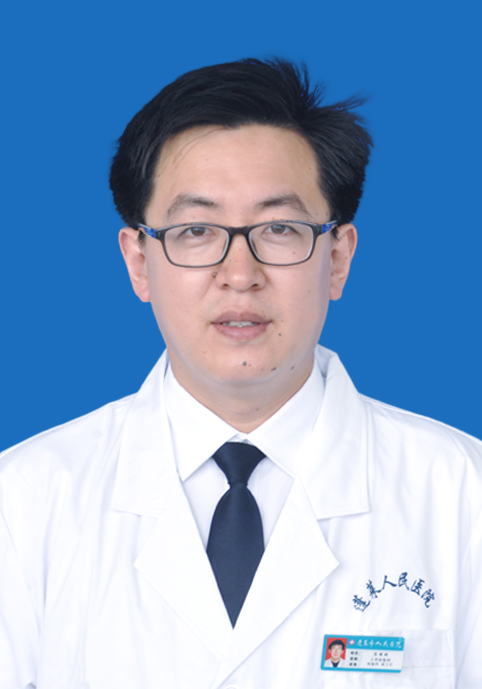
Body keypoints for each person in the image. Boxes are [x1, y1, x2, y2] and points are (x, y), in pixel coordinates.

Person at [1, 58, 481, 689]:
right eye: (196, 230)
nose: (239, 274)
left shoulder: (463, 496)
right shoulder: (24, 500)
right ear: (139, 262)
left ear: (337, 258)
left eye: (279, 228)